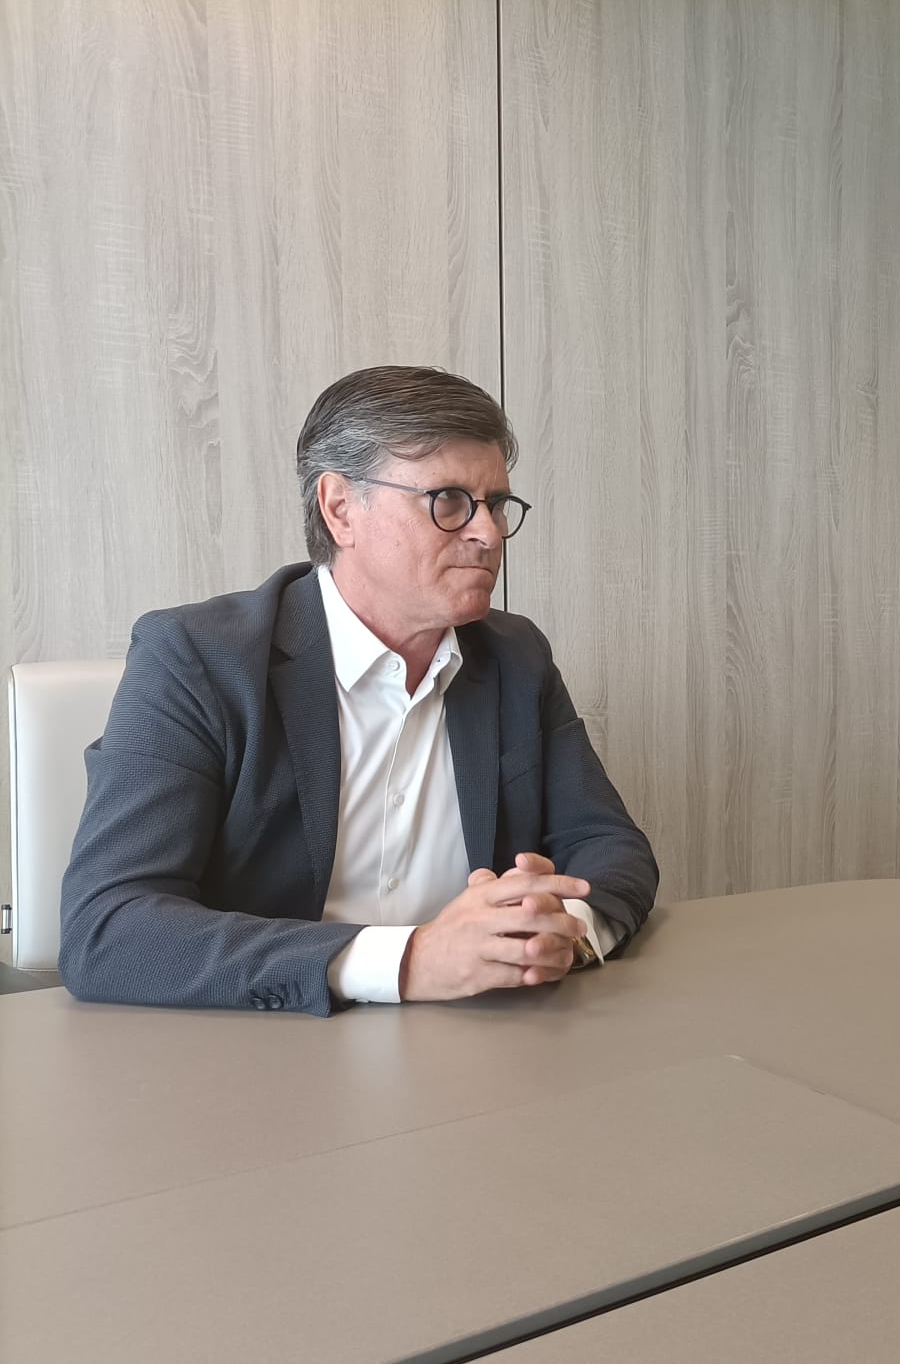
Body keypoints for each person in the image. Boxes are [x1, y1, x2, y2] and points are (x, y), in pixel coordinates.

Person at [60, 366, 658, 1013]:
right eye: (448, 501)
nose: (486, 534)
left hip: (483, 1042)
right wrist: (408, 961)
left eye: (495, 505)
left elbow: (609, 848)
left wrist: (553, 933)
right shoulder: (197, 660)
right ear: (340, 508)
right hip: (259, 1053)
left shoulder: (516, 658)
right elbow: (108, 930)